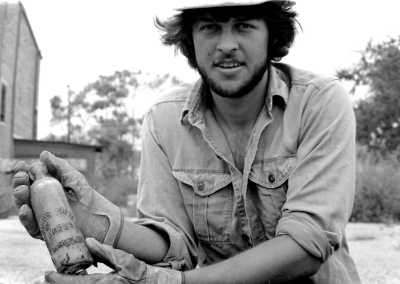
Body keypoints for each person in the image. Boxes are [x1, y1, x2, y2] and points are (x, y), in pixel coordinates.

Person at [13, 1, 361, 283]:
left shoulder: (320, 103)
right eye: (210, 26)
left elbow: (307, 244)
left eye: (244, 25)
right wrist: (98, 223)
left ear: (272, 33)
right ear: (189, 39)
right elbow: (174, 245)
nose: (226, 45)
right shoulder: (163, 120)